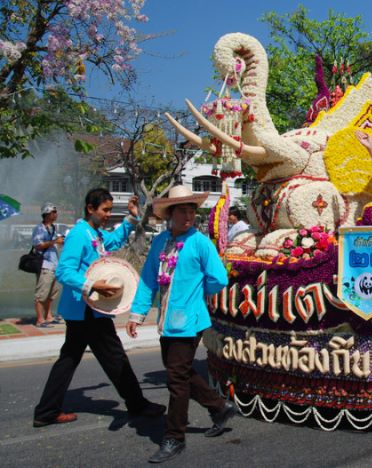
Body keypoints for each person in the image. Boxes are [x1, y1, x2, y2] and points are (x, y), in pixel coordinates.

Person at [33, 188, 165, 428]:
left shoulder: (94, 233)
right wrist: (92, 285)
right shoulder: (79, 235)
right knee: (113, 357)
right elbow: (64, 271)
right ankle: (137, 404)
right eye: (104, 210)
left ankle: (46, 410)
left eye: (110, 210)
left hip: (87, 310)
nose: (107, 214)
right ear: (90, 208)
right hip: (86, 309)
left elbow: (112, 241)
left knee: (72, 358)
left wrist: (131, 217)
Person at [127, 185, 234, 464]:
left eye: (191, 210)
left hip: (191, 321)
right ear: (170, 214)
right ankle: (219, 407)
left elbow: (219, 278)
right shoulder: (160, 242)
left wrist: (198, 294)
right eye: (182, 210)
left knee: (176, 378)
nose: (188, 216)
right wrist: (137, 314)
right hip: (166, 321)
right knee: (180, 372)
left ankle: (175, 436)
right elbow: (149, 280)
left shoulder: (199, 242)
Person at [31, 202, 63, 327]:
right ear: (47, 214)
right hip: (45, 264)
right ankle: (40, 320)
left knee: (52, 293)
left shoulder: (53, 228)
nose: (56, 214)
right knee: (41, 294)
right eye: (53, 212)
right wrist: (55, 241)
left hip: (54, 263)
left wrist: (61, 241)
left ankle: (48, 316)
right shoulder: (40, 228)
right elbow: (38, 245)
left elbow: (55, 243)